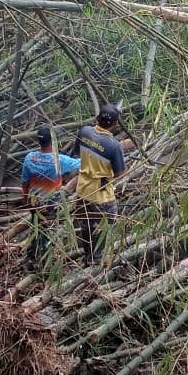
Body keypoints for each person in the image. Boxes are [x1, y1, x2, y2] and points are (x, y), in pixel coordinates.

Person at [21, 125, 81, 267]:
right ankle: (41, 260)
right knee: (47, 230)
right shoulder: (58, 160)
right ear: (52, 142)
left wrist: (25, 199)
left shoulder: (30, 158)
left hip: (34, 202)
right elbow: (79, 164)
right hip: (50, 204)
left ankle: (31, 255)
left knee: (37, 227)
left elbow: (24, 182)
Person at [74, 104, 126, 264]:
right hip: (101, 193)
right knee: (105, 225)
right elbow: (119, 173)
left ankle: (88, 256)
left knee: (86, 225)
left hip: (83, 189)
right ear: (115, 124)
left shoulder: (84, 131)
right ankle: (97, 259)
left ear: (97, 118)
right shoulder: (113, 145)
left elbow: (77, 152)